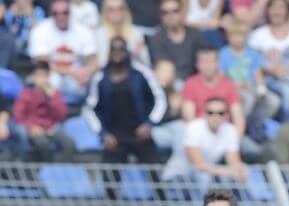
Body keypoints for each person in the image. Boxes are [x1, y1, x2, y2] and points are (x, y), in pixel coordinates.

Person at [83, 35, 165, 164]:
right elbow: (89, 109)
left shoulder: (142, 73)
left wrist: (150, 123)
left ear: (127, 51)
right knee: (110, 180)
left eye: (121, 49)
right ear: (109, 53)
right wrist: (103, 133)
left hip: (141, 134)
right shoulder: (99, 77)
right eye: (114, 49)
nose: (117, 53)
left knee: (155, 175)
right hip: (113, 138)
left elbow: (160, 99)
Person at [162, 96, 247, 183]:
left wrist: (239, 171)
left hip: (208, 174)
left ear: (227, 115)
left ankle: (259, 196)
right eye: (210, 112)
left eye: (220, 113)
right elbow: (198, 164)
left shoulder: (230, 130)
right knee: (204, 177)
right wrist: (226, 172)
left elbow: (234, 162)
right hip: (178, 179)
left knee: (245, 171)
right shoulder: (194, 127)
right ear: (204, 113)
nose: (215, 116)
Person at [28, 0, 98, 104]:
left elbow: (93, 60)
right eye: (56, 13)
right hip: (52, 76)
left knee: (97, 78)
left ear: (71, 12)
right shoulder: (40, 30)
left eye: (65, 12)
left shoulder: (83, 31)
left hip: (77, 79)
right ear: (51, 14)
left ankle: (91, 110)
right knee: (48, 78)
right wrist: (72, 72)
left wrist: (86, 72)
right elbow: (41, 63)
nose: (60, 16)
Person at [12, 59, 74, 161]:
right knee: (42, 144)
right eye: (38, 75)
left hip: (52, 129)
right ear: (33, 77)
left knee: (69, 144)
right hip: (34, 129)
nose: (41, 79)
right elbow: (18, 115)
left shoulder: (55, 93)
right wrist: (31, 127)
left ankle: (56, 167)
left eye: (44, 76)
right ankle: (47, 167)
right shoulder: (26, 93)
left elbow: (62, 114)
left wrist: (53, 99)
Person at [219, 17, 276, 121]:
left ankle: (259, 121)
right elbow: (222, 76)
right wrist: (236, 86)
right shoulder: (223, 54)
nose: (237, 39)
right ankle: (242, 124)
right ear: (228, 37)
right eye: (234, 36)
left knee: (273, 101)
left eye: (241, 36)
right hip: (233, 89)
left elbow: (257, 73)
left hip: (251, 87)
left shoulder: (252, 53)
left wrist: (261, 88)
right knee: (247, 99)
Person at [147, 0, 206, 89]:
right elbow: (164, 71)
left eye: (175, 11)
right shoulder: (156, 39)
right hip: (171, 87)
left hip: (195, 85)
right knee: (165, 69)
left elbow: (204, 62)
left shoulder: (195, 35)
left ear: (182, 12)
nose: (170, 16)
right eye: (165, 12)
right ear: (161, 16)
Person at [95, 0, 149, 65]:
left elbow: (146, 63)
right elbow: (100, 63)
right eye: (111, 9)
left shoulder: (136, 33)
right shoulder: (98, 34)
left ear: (125, 11)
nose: (116, 12)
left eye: (120, 8)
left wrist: (137, 55)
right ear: (105, 12)